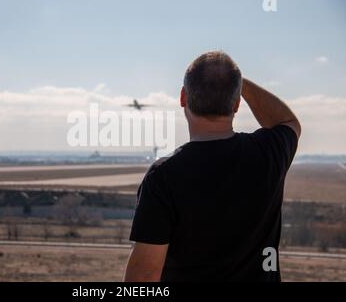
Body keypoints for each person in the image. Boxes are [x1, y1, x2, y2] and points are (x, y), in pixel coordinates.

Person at [124, 51, 301, 282]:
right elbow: (287, 122)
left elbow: (145, 275)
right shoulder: (268, 154)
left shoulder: (164, 176)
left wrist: (220, 81)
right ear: (237, 103)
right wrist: (234, 81)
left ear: (183, 98)